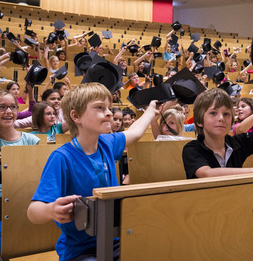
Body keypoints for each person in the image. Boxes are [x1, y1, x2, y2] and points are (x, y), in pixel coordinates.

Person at [27, 82, 159, 261]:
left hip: (116, 241)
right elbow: (33, 212)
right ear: (76, 116)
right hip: (80, 250)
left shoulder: (107, 143)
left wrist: (151, 109)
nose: (109, 113)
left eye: (109, 108)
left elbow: (135, 132)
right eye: (99, 107)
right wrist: (52, 210)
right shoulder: (62, 157)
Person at [182, 58, 253, 178]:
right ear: (199, 121)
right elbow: (207, 173)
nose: (221, 118)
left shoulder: (238, 143)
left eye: (226, 114)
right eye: (213, 113)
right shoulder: (192, 149)